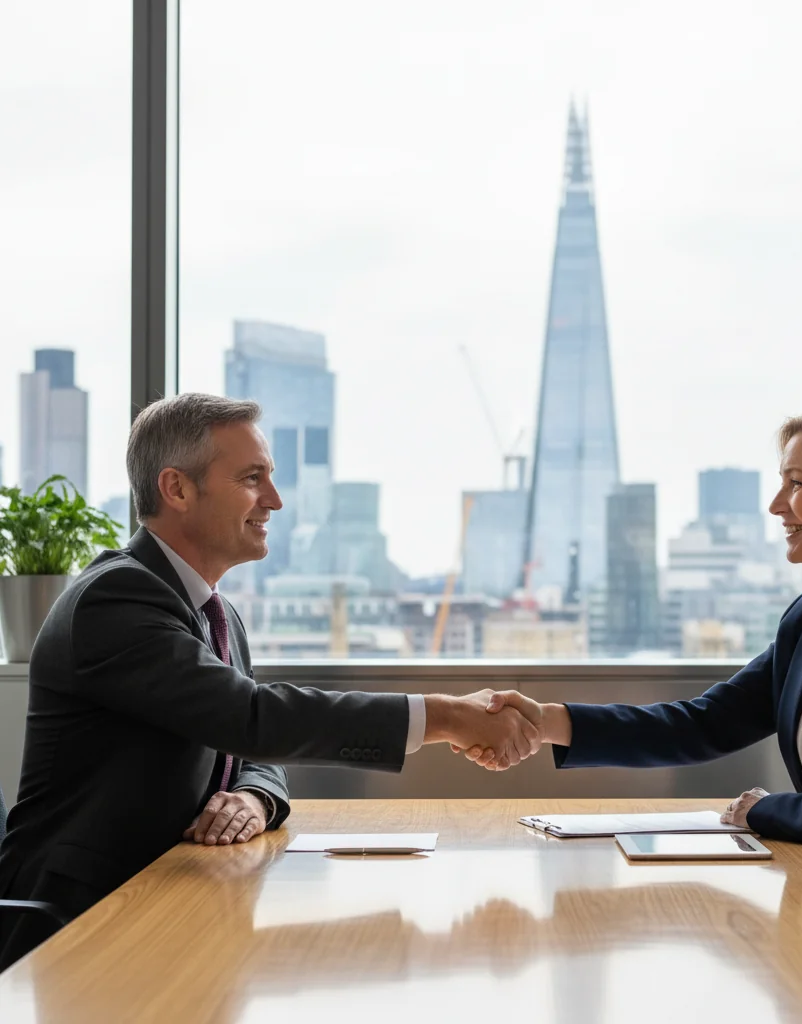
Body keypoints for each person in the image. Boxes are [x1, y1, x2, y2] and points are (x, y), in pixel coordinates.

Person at [0, 393, 540, 969]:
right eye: (252, 479)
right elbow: (252, 718)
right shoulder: (114, 601)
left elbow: (250, 744)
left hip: (178, 901)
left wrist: (255, 797)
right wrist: (447, 716)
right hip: (80, 926)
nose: (276, 501)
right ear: (177, 489)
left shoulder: (215, 613)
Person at [462, 399, 802, 920]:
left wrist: (761, 810)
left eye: (797, 484)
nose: (777, 505)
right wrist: (544, 722)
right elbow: (702, 724)